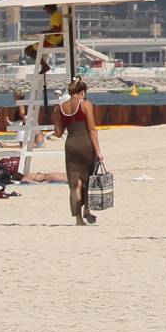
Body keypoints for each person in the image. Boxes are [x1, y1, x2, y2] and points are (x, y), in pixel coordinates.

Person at [54, 77, 103, 225]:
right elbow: (92, 129)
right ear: (82, 92)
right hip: (85, 144)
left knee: (74, 185)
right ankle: (87, 209)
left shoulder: (59, 108)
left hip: (70, 145)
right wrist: (98, 150)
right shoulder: (86, 104)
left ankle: (78, 219)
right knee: (88, 180)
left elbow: (58, 133)